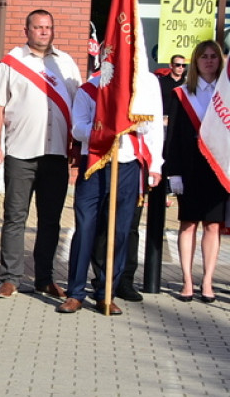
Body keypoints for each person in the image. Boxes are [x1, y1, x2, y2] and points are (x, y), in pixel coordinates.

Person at [0, 9, 83, 299]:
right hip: (21, 152)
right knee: (15, 217)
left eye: (48, 27)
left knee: (50, 220)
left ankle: (44, 278)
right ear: (26, 30)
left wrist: (77, 148)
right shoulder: (12, 62)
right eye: (38, 27)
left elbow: (80, 108)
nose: (44, 32)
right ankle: (10, 278)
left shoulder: (65, 64)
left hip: (56, 155)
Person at [57, 70, 164, 315]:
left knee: (120, 232)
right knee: (85, 229)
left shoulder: (137, 91)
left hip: (127, 164)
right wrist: (104, 131)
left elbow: (150, 125)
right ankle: (75, 293)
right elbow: (78, 129)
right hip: (94, 163)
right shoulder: (89, 89)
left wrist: (154, 162)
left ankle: (107, 293)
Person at [165, 40, 227, 304]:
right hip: (189, 169)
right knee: (188, 224)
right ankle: (187, 282)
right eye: (204, 56)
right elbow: (175, 137)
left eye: (213, 56)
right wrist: (173, 173)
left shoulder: (226, 92)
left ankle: (208, 282)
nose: (209, 61)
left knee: (212, 225)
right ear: (195, 61)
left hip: (217, 167)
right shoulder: (182, 93)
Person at [157, 54, 187, 124]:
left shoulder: (187, 84)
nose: (181, 68)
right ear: (171, 65)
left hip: (181, 120)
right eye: (178, 65)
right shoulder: (160, 82)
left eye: (183, 65)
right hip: (163, 120)